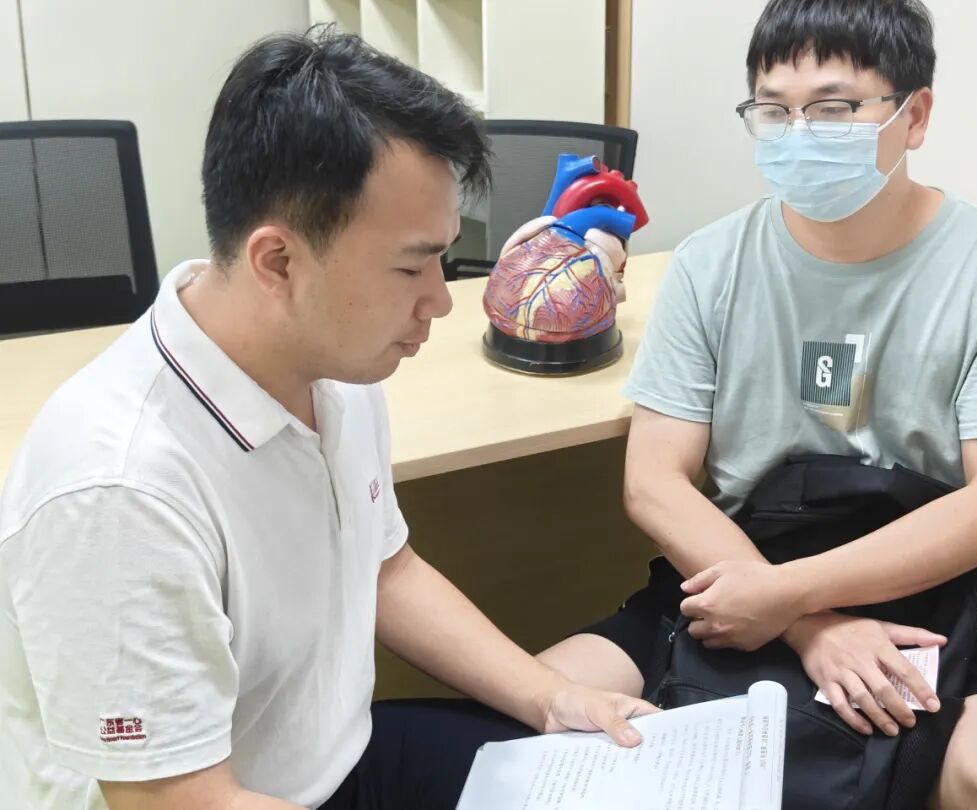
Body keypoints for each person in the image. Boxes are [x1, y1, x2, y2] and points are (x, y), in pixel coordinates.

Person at [0, 27, 653, 810]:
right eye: (410, 266)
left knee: (615, 773)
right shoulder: (118, 487)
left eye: (442, 258)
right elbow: (171, 800)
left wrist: (548, 697)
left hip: (338, 759)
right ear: (278, 262)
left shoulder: (334, 363)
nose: (440, 301)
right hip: (219, 796)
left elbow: (385, 568)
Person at [537, 1, 977, 808]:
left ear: (914, 115)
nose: (799, 135)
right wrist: (805, 623)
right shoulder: (708, 263)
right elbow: (653, 481)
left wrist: (795, 596)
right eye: (774, 111)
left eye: (833, 109)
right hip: (729, 582)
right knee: (526, 716)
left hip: (915, 603)